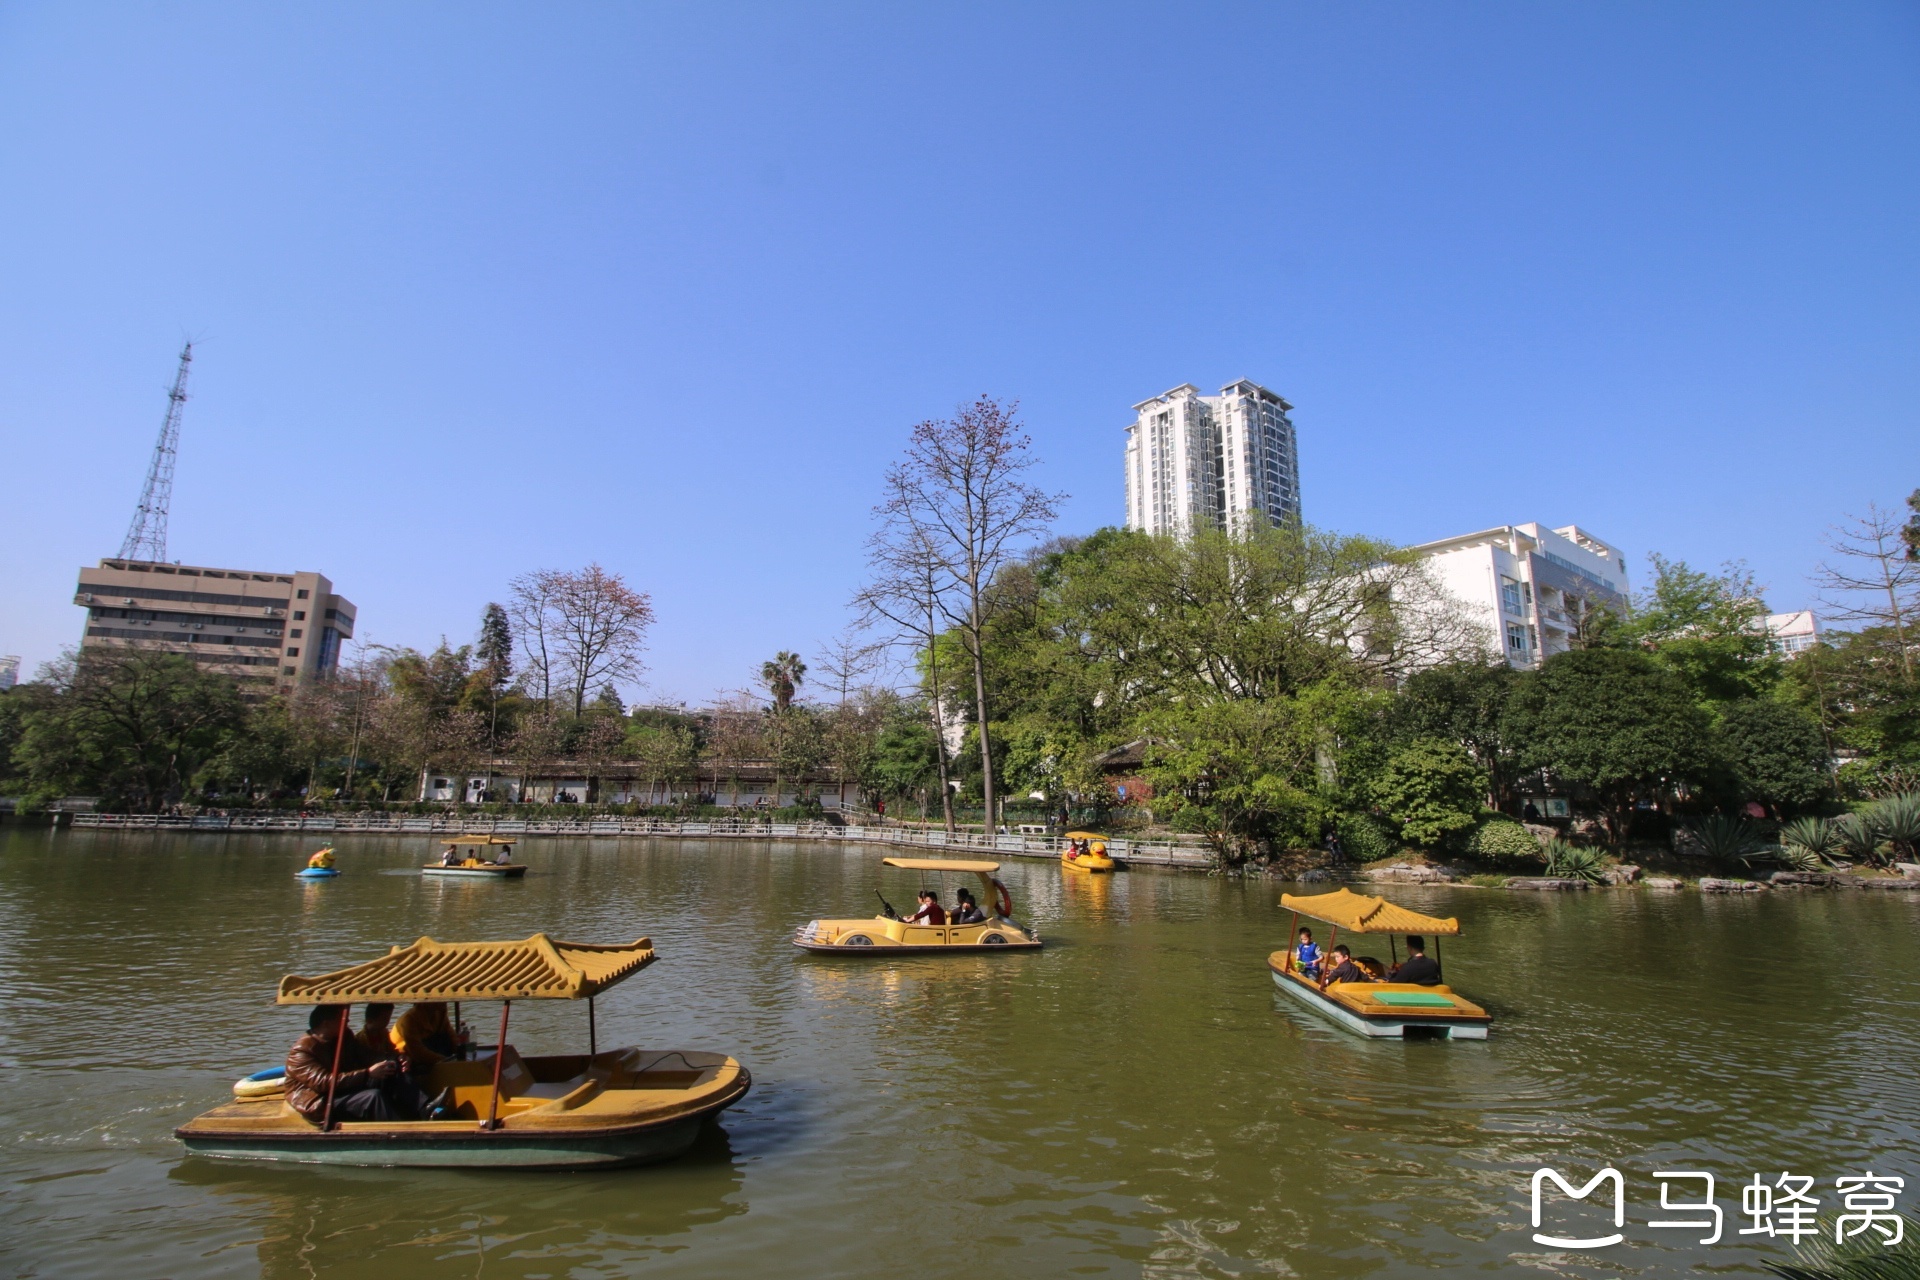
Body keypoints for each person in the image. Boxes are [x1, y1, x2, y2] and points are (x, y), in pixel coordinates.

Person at [285, 1004, 443, 1124]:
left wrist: (397, 1058)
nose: (347, 1022)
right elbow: (324, 1083)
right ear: (326, 1024)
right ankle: (401, 1132)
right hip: (322, 1100)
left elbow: (366, 1055)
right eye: (342, 1019)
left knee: (391, 1068)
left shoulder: (344, 1036)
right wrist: (367, 1074)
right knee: (372, 1097)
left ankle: (426, 1108)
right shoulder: (302, 1051)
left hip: (345, 1086)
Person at [394, 1002, 467, 1077]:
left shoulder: (440, 1013)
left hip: (432, 1050)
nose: (445, 1002)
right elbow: (417, 1051)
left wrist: (461, 1053)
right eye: (439, 999)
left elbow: (452, 1036)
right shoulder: (409, 1019)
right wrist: (444, 1061)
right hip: (407, 1057)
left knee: (445, 1039)